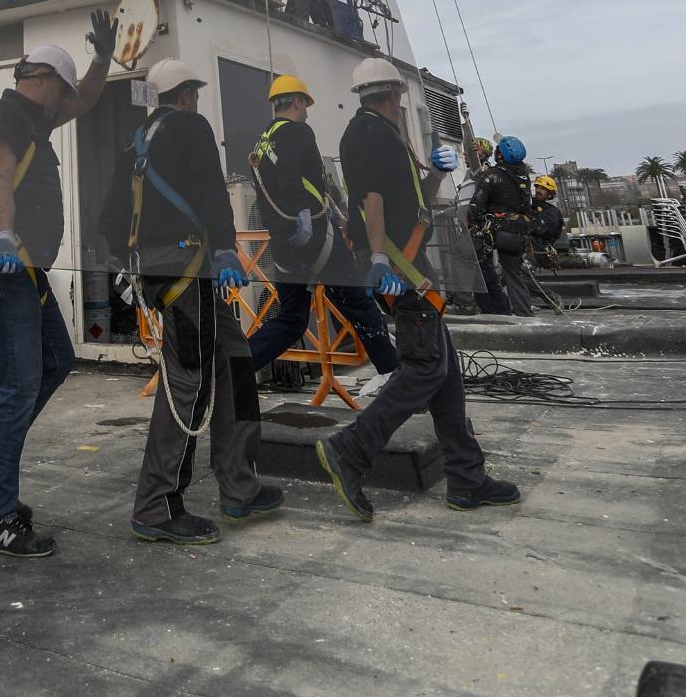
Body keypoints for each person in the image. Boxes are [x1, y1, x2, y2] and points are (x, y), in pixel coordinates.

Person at [314, 57, 520, 520]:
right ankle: (352, 447)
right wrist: (383, 259)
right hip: (399, 265)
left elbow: (413, 199)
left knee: (444, 376)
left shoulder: (386, 136)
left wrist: (437, 171)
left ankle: (467, 478)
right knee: (425, 367)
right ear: (394, 94)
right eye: (401, 95)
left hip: (406, 261)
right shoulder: (367, 134)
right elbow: (371, 199)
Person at [100, 58, 284, 544]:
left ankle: (239, 486)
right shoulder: (191, 126)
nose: (196, 100)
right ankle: (156, 505)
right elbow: (210, 191)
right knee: (189, 382)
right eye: (195, 93)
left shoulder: (132, 146)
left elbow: (107, 222)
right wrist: (224, 246)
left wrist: (140, 268)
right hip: (190, 271)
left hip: (167, 273)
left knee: (235, 362)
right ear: (185, 94)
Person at [0, 14, 115, 558]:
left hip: (24, 270)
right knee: (19, 386)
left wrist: (102, 59)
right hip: (2, 265)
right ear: (43, 81)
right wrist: (3, 236)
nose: (64, 106)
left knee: (55, 361)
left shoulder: (35, 118)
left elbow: (87, 101)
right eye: (61, 94)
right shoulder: (9, 114)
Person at [245, 73, 398, 396]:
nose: (307, 112)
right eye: (306, 105)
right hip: (315, 237)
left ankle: (235, 367)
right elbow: (291, 173)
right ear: (298, 102)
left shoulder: (261, 140)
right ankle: (390, 369)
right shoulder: (298, 131)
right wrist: (303, 213)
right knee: (357, 300)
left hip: (284, 246)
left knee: (291, 319)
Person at [467, 136, 535, 317]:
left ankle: (487, 308)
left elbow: (476, 205)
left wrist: (473, 229)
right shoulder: (524, 176)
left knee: (472, 261)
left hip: (497, 232)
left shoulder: (492, 175)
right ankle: (524, 314)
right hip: (520, 233)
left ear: (500, 154)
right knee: (514, 275)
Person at [529, 175, 564, 268]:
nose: (538, 191)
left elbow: (539, 228)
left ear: (550, 194)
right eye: (537, 188)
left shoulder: (552, 213)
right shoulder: (532, 206)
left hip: (541, 253)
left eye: (543, 189)